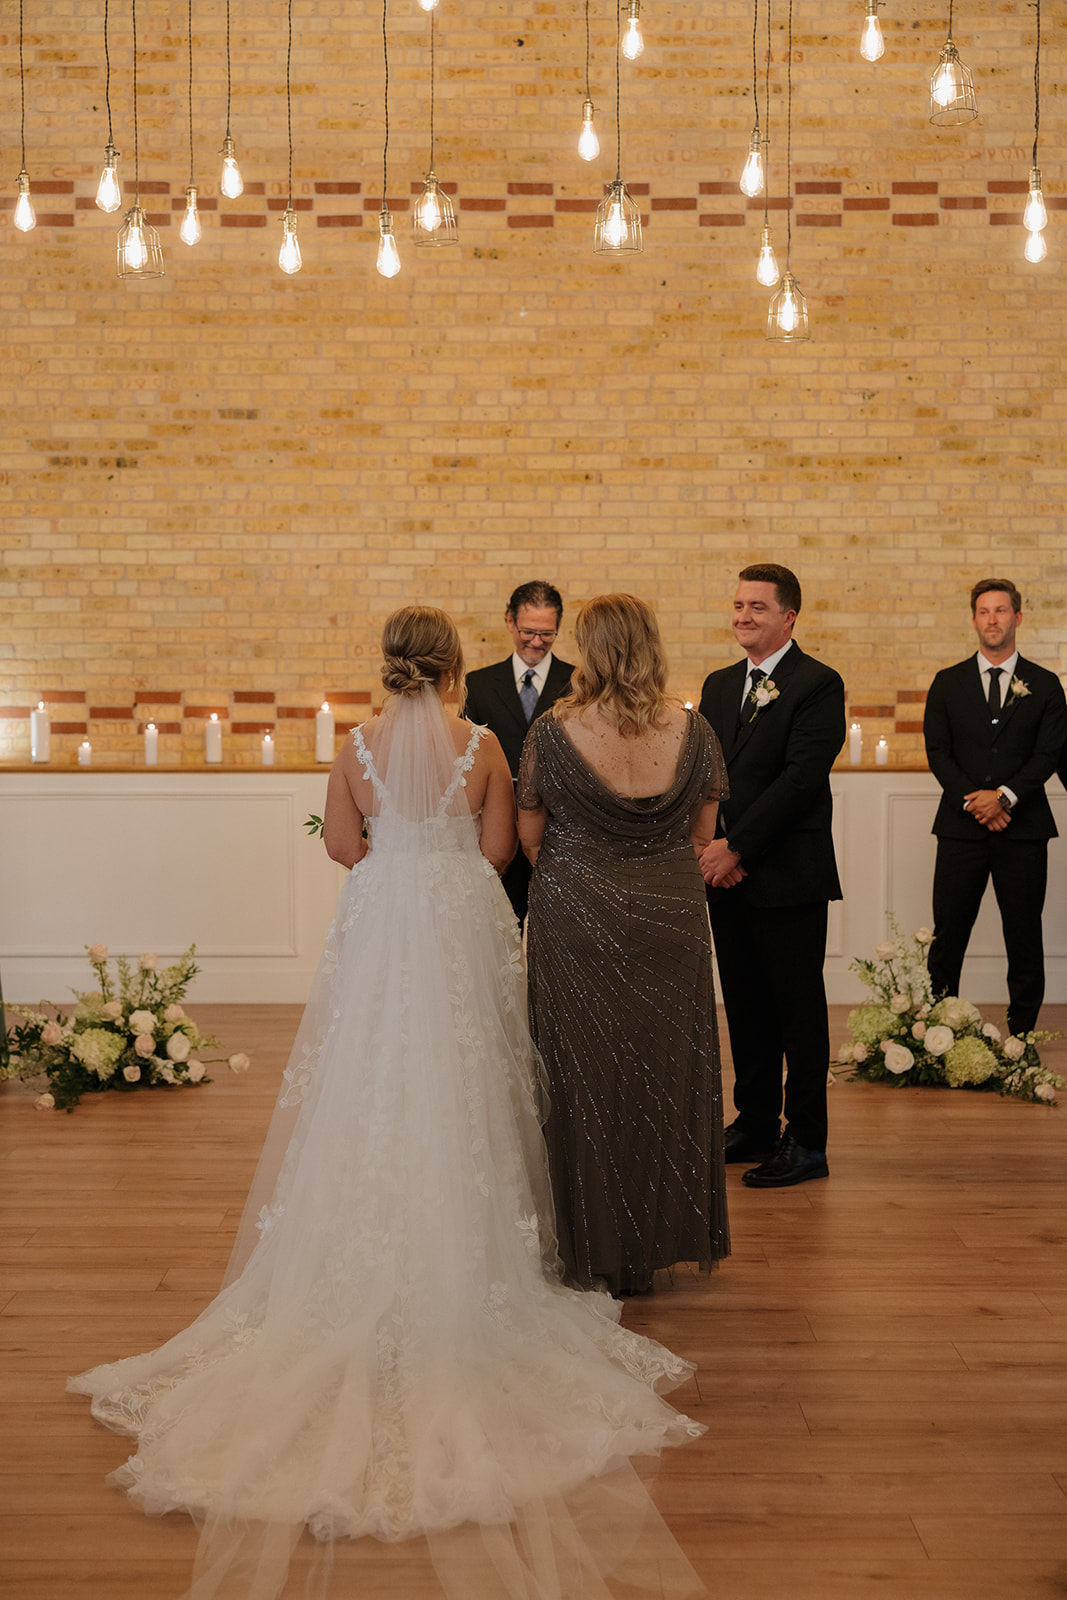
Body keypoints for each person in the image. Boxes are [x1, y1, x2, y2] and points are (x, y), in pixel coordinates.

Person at [68, 606, 704, 1600]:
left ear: (388, 666)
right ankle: (473, 1245)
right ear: (455, 670)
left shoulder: (354, 746)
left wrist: (381, 859)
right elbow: (502, 850)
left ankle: (357, 1239)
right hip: (455, 916)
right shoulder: (486, 743)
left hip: (378, 917)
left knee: (369, 1080)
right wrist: (440, 863)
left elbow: (334, 840)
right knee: (469, 1079)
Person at [518, 593, 730, 1296]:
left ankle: (587, 1246)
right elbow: (701, 835)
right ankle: (649, 1244)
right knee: (663, 1074)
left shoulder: (552, 730)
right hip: (669, 910)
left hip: (574, 910)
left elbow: (529, 838)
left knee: (578, 1076)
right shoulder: (693, 729)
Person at [697, 564, 845, 1189]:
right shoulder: (719, 683)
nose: (743, 616)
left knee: (797, 1011)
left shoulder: (818, 684)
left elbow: (800, 780)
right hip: (724, 873)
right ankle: (755, 1120)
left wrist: (738, 847)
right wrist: (708, 846)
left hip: (787, 872)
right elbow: (705, 771)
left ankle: (807, 1138)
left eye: (757, 606)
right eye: (738, 605)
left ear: (789, 616)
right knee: (747, 1006)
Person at [924, 577, 1067, 1039]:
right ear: (974, 620)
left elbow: (1048, 754)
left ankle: (1023, 1035)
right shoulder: (946, 683)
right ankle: (937, 1033)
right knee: (948, 937)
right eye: (984, 611)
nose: (992, 619)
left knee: (1024, 937)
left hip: (1022, 831)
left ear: (1018, 618)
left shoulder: (1045, 686)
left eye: (1001, 610)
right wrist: (976, 801)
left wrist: (1004, 797)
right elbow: (938, 752)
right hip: (960, 830)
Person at [464, 580, 574, 922]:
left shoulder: (578, 683)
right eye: (528, 631)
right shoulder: (478, 685)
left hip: (558, 835)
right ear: (510, 621)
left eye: (547, 634)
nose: (537, 642)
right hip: (497, 833)